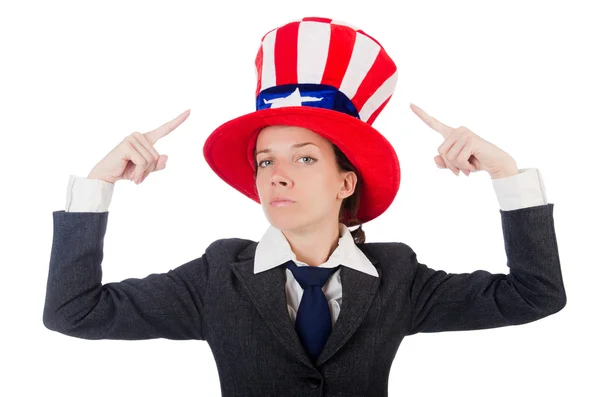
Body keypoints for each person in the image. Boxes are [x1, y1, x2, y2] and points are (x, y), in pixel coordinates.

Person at [43, 16, 567, 396]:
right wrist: (96, 187)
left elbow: (535, 296)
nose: (279, 174)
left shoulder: (398, 276)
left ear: (346, 183)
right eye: (266, 161)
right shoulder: (215, 277)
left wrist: (507, 176)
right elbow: (75, 313)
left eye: (306, 158)